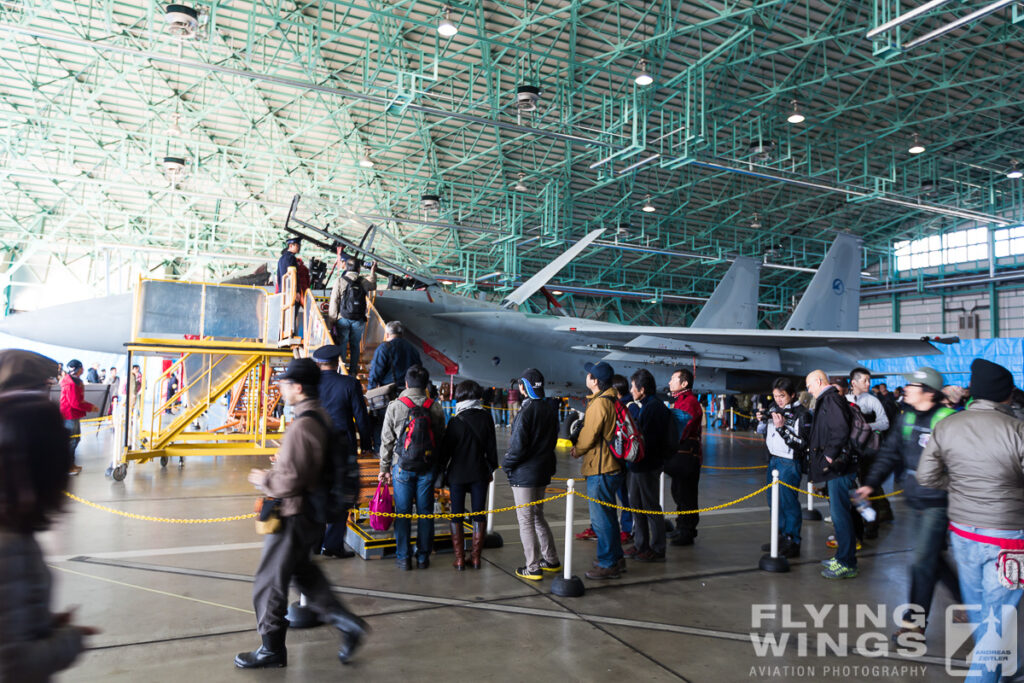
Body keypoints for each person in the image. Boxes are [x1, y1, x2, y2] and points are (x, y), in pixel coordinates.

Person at [237, 358, 368, 669]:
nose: (280, 389)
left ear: (297, 387)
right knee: (303, 574)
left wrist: (265, 479)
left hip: (294, 516)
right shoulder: (318, 417)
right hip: (308, 515)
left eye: (283, 384)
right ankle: (347, 623)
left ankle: (271, 649)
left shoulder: (304, 424)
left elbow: (293, 480)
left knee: (268, 583)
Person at [917, 358, 1024, 682]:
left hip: (962, 533)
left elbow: (926, 476)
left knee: (983, 617)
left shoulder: (947, 425)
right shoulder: (1018, 430)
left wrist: (960, 487)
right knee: (996, 620)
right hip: (1007, 538)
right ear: (1006, 395)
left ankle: (1002, 668)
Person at [854, 366, 957, 640]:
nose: (906, 389)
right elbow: (890, 454)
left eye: (912, 386)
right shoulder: (907, 416)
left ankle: (914, 623)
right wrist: (870, 484)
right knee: (932, 558)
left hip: (939, 501)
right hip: (916, 499)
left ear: (928, 392)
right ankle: (966, 600)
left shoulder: (947, 421)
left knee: (921, 561)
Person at [0, 390, 98, 680]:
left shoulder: (13, 531)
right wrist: (70, 640)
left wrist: (42, 623)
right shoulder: (10, 549)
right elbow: (14, 665)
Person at [378, 365, 446, 570]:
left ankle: (403, 558)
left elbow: (387, 440)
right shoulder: (434, 406)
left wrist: (384, 467)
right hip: (427, 467)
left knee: (403, 512)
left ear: (406, 383)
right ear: (426, 385)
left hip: (402, 467)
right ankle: (423, 557)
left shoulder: (396, 406)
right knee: (425, 512)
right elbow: (441, 439)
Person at [313, 345, 372, 558]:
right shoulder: (349, 384)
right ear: (338, 362)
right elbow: (360, 416)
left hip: (316, 447)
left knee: (317, 493)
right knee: (342, 495)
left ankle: (315, 544)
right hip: (343, 448)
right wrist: (366, 444)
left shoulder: (311, 385)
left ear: (319, 363)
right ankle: (333, 545)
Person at [503, 369, 561, 580]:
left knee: (526, 520)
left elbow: (517, 447)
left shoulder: (525, 412)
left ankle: (533, 566)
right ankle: (551, 559)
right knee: (537, 516)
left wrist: (506, 464)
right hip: (542, 471)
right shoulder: (548, 409)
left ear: (523, 387)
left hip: (524, 475)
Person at [572, 361, 624, 580]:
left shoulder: (600, 403)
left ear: (594, 381)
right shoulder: (612, 399)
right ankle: (615, 558)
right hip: (610, 466)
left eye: (589, 375)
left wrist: (577, 449)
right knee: (609, 517)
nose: (586, 377)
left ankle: (607, 563)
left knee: (601, 519)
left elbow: (589, 434)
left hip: (601, 467)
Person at [437, 380, 497, 571]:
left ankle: (460, 559)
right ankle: (476, 557)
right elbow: (492, 450)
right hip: (479, 473)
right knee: (479, 514)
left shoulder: (456, 421)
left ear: (460, 396)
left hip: (457, 475)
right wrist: (489, 469)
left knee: (456, 516)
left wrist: (440, 470)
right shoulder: (486, 417)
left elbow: (445, 451)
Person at [805, 369, 858, 579]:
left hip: (839, 469)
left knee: (841, 516)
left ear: (818, 382)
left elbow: (840, 430)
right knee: (839, 515)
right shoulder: (830, 399)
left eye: (809, 386)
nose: (809, 390)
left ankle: (847, 562)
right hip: (837, 469)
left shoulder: (831, 400)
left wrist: (828, 456)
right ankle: (843, 556)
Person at [756, 377, 810, 559]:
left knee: (789, 503)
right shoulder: (774, 409)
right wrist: (762, 422)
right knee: (774, 503)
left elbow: (802, 444)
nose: (778, 399)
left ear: (792, 395)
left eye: (782, 396)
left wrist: (781, 428)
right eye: (775, 396)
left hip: (789, 462)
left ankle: (793, 541)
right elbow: (765, 432)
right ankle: (778, 538)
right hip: (773, 460)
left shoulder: (802, 414)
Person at [624, 369, 670, 562]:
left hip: (647, 465)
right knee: (636, 504)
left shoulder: (653, 408)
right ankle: (640, 544)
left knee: (650, 506)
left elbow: (648, 440)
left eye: (633, 387)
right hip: (638, 465)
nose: (631, 391)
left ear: (642, 389)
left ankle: (658, 548)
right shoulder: (645, 405)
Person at [848, 367, 893, 535]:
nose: (868, 383)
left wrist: (865, 427)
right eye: (864, 380)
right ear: (854, 382)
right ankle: (881, 512)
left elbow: (885, 422)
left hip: (869, 449)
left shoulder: (872, 400)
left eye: (869, 380)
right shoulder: (845, 399)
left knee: (868, 482)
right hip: (852, 449)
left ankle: (873, 522)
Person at [667, 368, 703, 546]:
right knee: (679, 492)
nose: (669, 382)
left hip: (686, 456)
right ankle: (681, 526)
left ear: (684, 383)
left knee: (686, 493)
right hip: (682, 454)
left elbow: (682, 428)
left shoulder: (688, 402)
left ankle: (687, 531)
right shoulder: (682, 400)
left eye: (673, 379)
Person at [328, 257, 377, 375]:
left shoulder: (340, 281)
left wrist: (332, 320)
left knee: (343, 343)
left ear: (346, 267)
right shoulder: (363, 281)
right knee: (355, 345)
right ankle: (353, 371)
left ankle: (342, 370)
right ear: (359, 269)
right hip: (359, 319)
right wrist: (373, 271)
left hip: (343, 318)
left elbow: (334, 301)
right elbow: (373, 285)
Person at [59, 359, 97, 476]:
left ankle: (71, 464)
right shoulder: (70, 383)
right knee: (72, 440)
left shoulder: (76, 381)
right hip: (69, 414)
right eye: (82, 367)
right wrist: (90, 407)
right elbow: (74, 403)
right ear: (78, 369)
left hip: (73, 414)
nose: (83, 369)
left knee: (75, 439)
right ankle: (67, 466)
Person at [367, 321, 422, 391]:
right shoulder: (413, 349)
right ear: (402, 334)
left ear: (387, 334)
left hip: (390, 391)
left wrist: (370, 389)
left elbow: (376, 371)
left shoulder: (384, 348)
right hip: (408, 392)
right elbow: (419, 369)